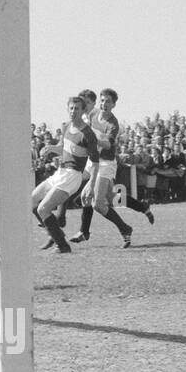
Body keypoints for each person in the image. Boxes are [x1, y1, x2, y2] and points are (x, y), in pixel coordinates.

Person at [32, 96, 97, 255]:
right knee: (32, 200)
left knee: (43, 209)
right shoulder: (67, 126)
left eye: (77, 108)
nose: (73, 111)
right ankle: (54, 235)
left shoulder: (87, 134)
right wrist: (51, 148)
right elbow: (64, 148)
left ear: (83, 111)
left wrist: (91, 184)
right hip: (61, 172)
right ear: (68, 109)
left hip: (72, 176)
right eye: (71, 108)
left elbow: (95, 162)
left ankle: (63, 246)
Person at [70, 88, 135, 247]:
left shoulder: (113, 124)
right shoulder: (93, 114)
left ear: (113, 105)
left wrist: (93, 138)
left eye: (108, 101)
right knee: (86, 197)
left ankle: (125, 228)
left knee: (98, 204)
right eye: (102, 100)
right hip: (93, 161)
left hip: (106, 163)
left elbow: (107, 144)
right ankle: (84, 232)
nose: (104, 103)